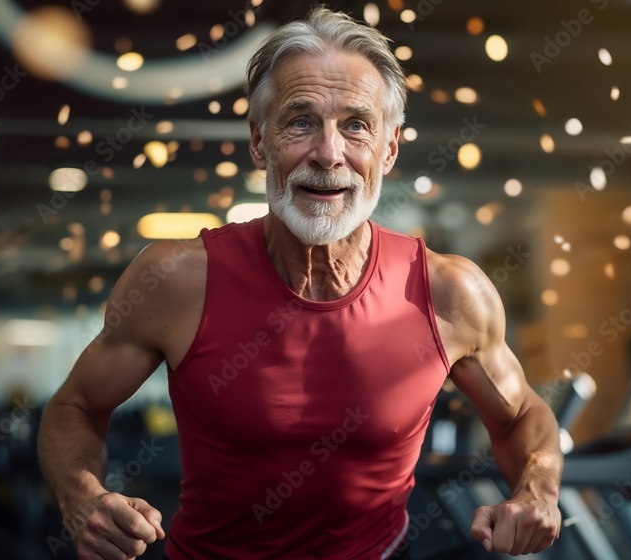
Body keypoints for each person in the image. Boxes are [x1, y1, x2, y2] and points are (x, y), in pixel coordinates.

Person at [37, 6, 562, 559]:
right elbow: (73, 407)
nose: (328, 153)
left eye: (356, 125)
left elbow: (524, 415)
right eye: (301, 121)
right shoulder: (177, 279)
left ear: (388, 149)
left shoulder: (451, 293)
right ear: (260, 141)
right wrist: (82, 498)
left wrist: (538, 491)